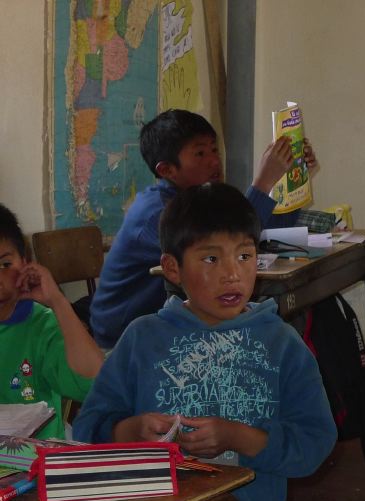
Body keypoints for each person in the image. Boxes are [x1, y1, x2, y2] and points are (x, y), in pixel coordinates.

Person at [26, 183, 336, 501]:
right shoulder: (144, 339)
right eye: (211, 259)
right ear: (172, 268)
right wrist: (130, 431)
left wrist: (239, 437)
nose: (232, 274)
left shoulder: (280, 344)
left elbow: (315, 441)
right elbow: (92, 424)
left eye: (244, 256)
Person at [89, 108, 318, 349]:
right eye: (200, 153)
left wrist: (294, 181)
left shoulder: (199, 200)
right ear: (167, 170)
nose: (214, 161)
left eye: (214, 150)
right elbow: (230, 238)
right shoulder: (156, 213)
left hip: (176, 321)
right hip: (125, 340)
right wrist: (264, 181)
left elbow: (254, 233)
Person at [0, 204, 102, 438]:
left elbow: (93, 384)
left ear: (25, 263)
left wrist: (58, 302)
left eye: (5, 265)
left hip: (36, 458)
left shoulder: (42, 326)